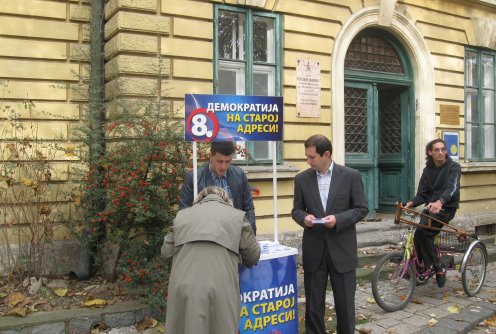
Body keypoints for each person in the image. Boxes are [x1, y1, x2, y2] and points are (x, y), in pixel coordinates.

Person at [291, 134, 368, 334]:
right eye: (306, 157)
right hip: (314, 251)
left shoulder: (350, 176)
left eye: (312, 157)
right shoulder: (301, 179)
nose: (308, 161)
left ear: (326, 154)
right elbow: (296, 210)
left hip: (342, 250)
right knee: (314, 307)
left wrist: (338, 220)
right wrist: (304, 219)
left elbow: (361, 209)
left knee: (345, 306)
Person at [162, 186, 260, 334]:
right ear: (226, 200)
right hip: (220, 285)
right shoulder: (237, 217)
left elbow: (166, 253)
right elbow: (252, 256)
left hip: (182, 285)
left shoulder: (181, 216)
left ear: (199, 199)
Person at [404, 138, 461, 288]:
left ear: (446, 151)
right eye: (437, 150)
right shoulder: (427, 170)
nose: (441, 152)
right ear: (430, 152)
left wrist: (440, 202)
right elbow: (422, 194)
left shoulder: (453, 167)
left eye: (443, 149)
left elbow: (452, 188)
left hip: (446, 208)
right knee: (419, 234)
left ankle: (437, 267)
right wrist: (411, 203)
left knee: (423, 233)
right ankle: (424, 265)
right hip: (430, 209)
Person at [179, 141, 257, 234]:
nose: (224, 166)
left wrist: (251, 236)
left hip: (234, 234)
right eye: (219, 161)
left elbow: (248, 208)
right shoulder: (194, 177)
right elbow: (184, 211)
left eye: (228, 162)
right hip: (206, 235)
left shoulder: (239, 175)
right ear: (211, 156)